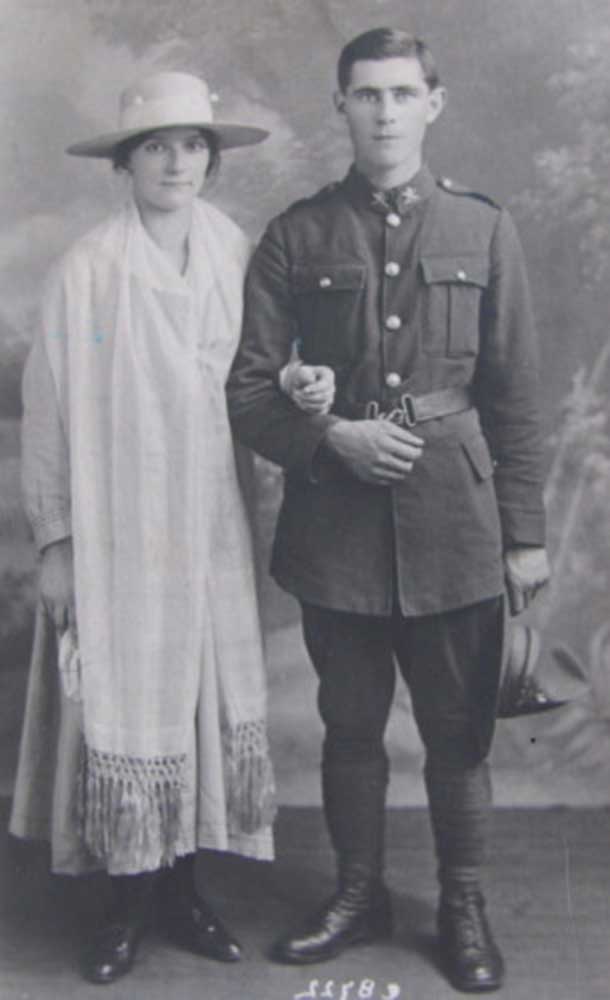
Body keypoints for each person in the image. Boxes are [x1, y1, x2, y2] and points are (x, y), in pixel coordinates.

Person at [227, 28, 551, 993]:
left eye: (403, 94)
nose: (384, 112)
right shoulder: (297, 234)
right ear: (342, 108)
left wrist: (526, 537)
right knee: (351, 725)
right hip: (337, 529)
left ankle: (462, 904)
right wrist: (334, 438)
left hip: (457, 520)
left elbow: (518, 396)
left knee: (457, 730)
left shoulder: (485, 229)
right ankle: (358, 892)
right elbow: (248, 392)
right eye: (366, 95)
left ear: (433, 104)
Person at [9, 70, 332, 986]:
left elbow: (263, 372)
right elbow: (48, 418)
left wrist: (300, 385)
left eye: (193, 145)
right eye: (156, 145)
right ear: (126, 162)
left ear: (212, 160)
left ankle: (185, 891)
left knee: (196, 699)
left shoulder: (235, 253)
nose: (177, 161)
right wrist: (58, 542)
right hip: (119, 525)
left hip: (210, 519)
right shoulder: (89, 272)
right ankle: (126, 906)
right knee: (125, 702)